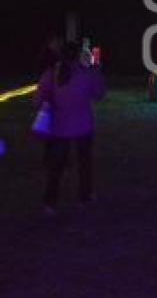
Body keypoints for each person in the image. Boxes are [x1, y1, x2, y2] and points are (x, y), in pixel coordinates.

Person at [34, 41, 106, 215]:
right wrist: (97, 73)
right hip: (83, 125)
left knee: (56, 166)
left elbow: (38, 100)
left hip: (59, 126)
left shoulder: (51, 74)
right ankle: (84, 196)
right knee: (84, 163)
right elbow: (99, 94)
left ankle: (50, 202)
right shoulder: (86, 74)